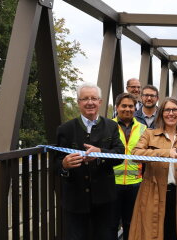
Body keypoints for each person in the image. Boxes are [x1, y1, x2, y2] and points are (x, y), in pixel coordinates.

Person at [56, 82, 125, 240]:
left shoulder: (111, 126)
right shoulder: (65, 129)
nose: (90, 102)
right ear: (78, 102)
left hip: (105, 199)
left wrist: (101, 154)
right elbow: (56, 162)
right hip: (75, 200)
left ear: (100, 102)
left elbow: (120, 154)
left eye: (94, 98)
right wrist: (64, 165)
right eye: (85, 98)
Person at [130, 98, 177, 240]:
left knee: (175, 234)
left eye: (175, 110)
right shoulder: (149, 134)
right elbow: (135, 154)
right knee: (152, 234)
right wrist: (165, 153)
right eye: (167, 110)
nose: (171, 113)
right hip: (152, 194)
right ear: (161, 113)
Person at [111, 93, 147, 240]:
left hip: (135, 184)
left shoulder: (143, 128)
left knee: (131, 224)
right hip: (111, 184)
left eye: (131, 106)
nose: (127, 109)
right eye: (123, 106)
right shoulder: (107, 126)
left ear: (135, 107)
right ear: (117, 107)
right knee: (111, 224)